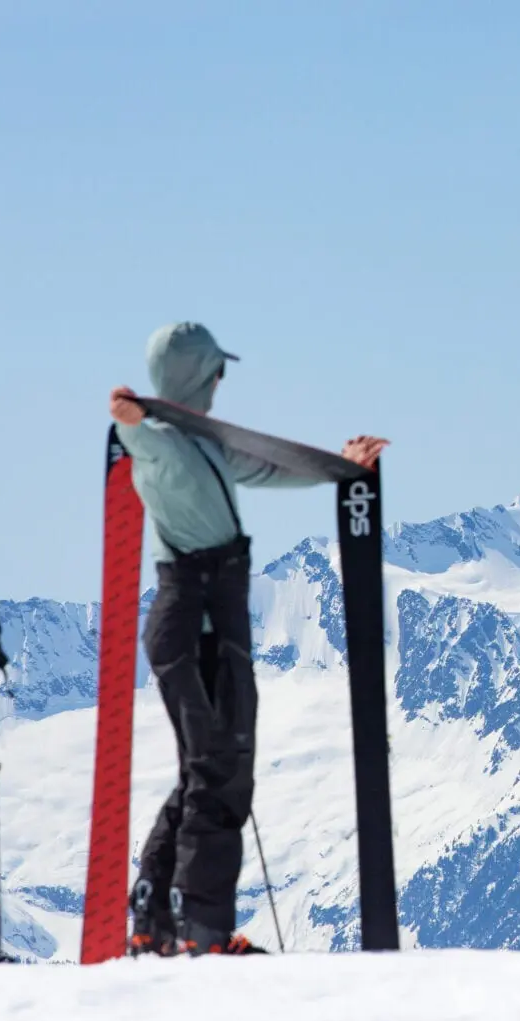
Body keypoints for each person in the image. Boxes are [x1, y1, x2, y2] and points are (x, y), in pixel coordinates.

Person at [108, 322, 387, 955]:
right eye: (215, 370)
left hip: (199, 621)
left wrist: (343, 466)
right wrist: (127, 421)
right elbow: (142, 451)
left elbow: (264, 469)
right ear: (195, 375)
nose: (221, 381)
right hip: (202, 624)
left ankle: (157, 917)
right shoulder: (162, 447)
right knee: (223, 773)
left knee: (203, 770)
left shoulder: (203, 446)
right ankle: (201, 931)